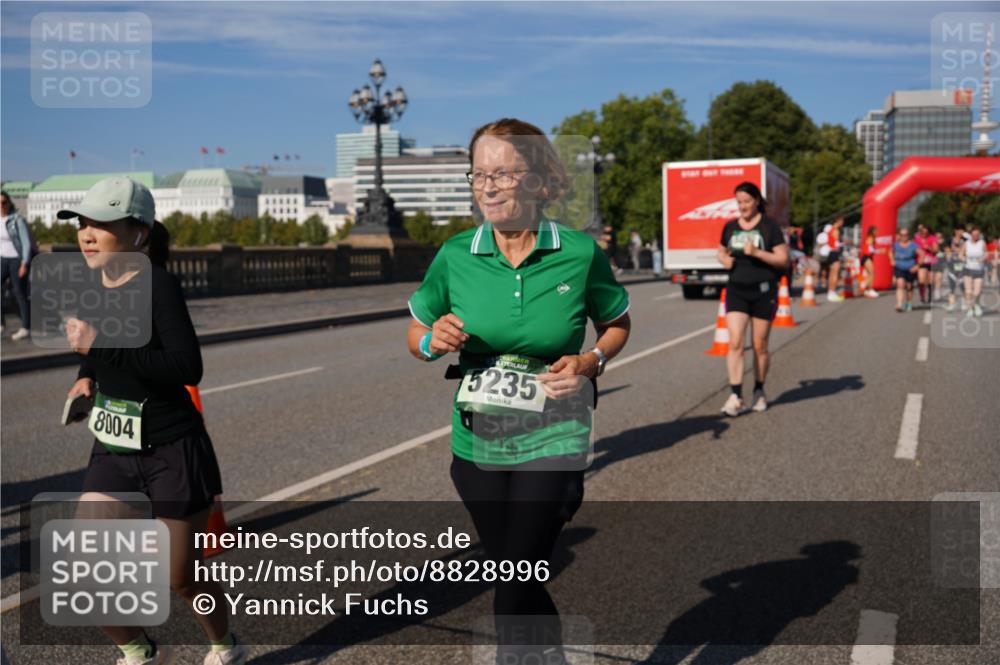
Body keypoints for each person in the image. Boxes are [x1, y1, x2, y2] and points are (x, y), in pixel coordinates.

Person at [406, 118, 630, 664]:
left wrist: (590, 361)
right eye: (478, 174)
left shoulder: (577, 253)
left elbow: (618, 323)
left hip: (555, 436)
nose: (487, 185)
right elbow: (415, 333)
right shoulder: (457, 253)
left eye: (502, 173)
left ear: (537, 179)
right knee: (516, 574)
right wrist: (432, 340)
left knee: (510, 583)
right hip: (477, 443)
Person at [58, 177, 246, 665]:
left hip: (171, 448)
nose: (87, 233)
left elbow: (187, 368)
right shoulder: (88, 284)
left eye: (100, 223)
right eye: (82, 223)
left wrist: (99, 347)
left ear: (138, 234)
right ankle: (139, 651)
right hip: (114, 450)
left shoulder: (158, 285)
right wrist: (86, 376)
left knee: (179, 576)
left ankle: (225, 645)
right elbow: (103, 353)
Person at [717, 181, 789, 416]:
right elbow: (721, 250)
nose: (743, 206)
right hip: (737, 289)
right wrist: (723, 259)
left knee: (760, 345)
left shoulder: (769, 227)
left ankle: (759, 390)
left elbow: (783, 259)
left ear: (757, 201)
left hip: (763, 291)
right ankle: (736, 395)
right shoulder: (730, 227)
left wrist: (757, 252)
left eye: (747, 201)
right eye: (739, 202)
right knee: (735, 342)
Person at [1, 190, 34, 340]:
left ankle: (26, 327)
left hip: (16, 260)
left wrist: (24, 263)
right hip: (2, 259)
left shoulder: (16, 220)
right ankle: (1, 324)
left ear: (9, 203)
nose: (1, 206)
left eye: (4, 202)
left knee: (20, 293)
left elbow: (26, 243)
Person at [889, 227, 918, 312]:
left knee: (909, 286)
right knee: (900, 284)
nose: (904, 237)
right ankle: (899, 304)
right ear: (899, 236)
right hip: (899, 267)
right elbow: (890, 252)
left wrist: (917, 266)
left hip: (910, 267)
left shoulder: (913, 245)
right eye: (902, 235)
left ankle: (909, 302)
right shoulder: (896, 245)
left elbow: (922, 254)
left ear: (908, 236)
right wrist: (892, 259)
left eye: (905, 235)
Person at [960, 226, 987, 317]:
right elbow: (961, 254)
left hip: (979, 269)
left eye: (977, 234)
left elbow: (986, 253)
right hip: (968, 268)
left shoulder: (982, 243)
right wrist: (963, 258)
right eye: (974, 234)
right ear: (971, 234)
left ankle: (977, 304)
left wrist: (982, 258)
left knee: (977, 292)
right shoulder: (966, 243)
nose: (976, 236)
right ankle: (970, 308)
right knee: (968, 291)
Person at [914, 224, 939, 306]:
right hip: (922, 262)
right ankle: (922, 295)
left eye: (926, 232)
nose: (924, 234)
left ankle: (930, 296)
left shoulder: (932, 238)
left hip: (931, 261)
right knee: (921, 280)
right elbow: (913, 249)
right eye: (922, 232)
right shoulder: (917, 239)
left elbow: (936, 250)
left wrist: (929, 248)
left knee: (930, 281)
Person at [825, 217, 845, 302]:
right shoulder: (835, 230)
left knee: (832, 273)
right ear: (838, 221)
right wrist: (844, 243)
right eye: (842, 221)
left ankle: (831, 292)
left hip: (831, 253)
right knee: (835, 273)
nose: (842, 223)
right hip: (834, 253)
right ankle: (832, 292)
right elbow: (836, 244)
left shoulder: (831, 230)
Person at [859, 226, 879, 298]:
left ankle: (868, 290)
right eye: (876, 231)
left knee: (869, 274)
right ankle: (865, 286)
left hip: (866, 257)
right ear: (872, 231)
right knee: (872, 273)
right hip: (866, 257)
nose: (877, 233)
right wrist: (879, 251)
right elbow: (869, 249)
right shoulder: (870, 238)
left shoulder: (869, 237)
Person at [942, 241, 963, 312]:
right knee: (952, 290)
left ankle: (965, 303)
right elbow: (946, 263)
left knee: (964, 289)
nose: (956, 249)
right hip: (952, 274)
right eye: (955, 247)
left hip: (962, 275)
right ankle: (951, 304)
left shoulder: (964, 254)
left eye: (958, 247)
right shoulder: (950, 254)